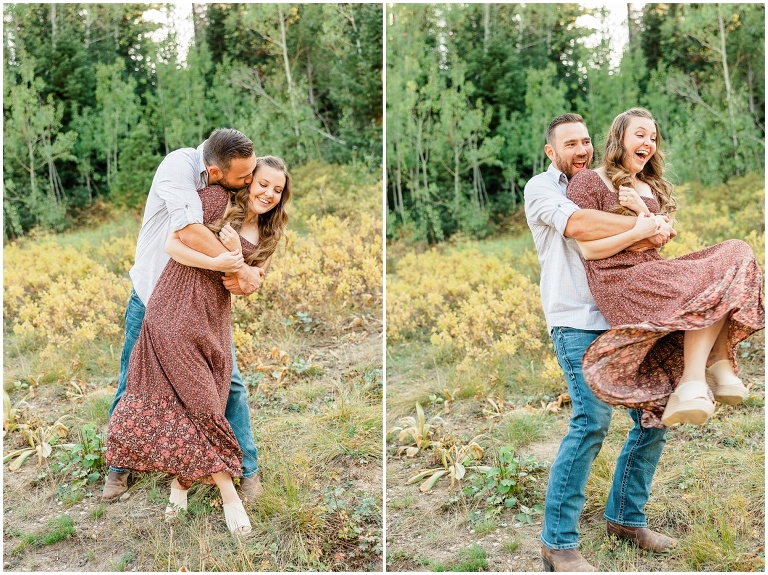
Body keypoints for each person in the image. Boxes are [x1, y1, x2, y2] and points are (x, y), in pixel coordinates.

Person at [524, 113, 677, 572]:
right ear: (552, 151)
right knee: (591, 421)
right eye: (570, 144)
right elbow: (580, 226)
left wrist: (645, 219)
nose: (581, 150)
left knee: (655, 414)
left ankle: (626, 519)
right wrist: (644, 224)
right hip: (575, 319)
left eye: (586, 141)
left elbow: (651, 235)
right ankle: (558, 544)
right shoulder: (541, 188)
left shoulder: (603, 182)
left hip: (624, 315)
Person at [107, 155, 290, 534]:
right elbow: (174, 244)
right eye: (262, 183)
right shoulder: (216, 201)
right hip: (174, 303)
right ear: (248, 180)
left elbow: (250, 284)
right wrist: (228, 261)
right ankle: (228, 492)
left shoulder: (272, 234)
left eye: (277, 189)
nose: (268, 193)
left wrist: (247, 276)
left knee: (217, 392)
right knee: (190, 398)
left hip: (213, 317)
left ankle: (180, 484)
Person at [565, 108, 764, 429]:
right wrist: (640, 230)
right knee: (706, 280)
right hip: (618, 280)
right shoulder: (590, 180)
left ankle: (714, 366)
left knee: (737, 253)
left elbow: (656, 241)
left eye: (653, 137)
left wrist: (646, 216)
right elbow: (589, 251)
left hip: (651, 268)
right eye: (640, 135)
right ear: (619, 138)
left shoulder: (647, 186)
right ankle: (698, 376)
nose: (648, 143)